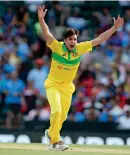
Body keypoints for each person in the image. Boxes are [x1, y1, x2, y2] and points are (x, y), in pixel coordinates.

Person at [38, 5, 124, 151]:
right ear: (65, 40)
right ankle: (55, 141)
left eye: (75, 39)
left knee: (63, 117)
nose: (73, 42)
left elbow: (99, 39)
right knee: (56, 111)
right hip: (52, 84)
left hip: (67, 87)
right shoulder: (57, 47)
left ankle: (51, 133)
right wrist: (41, 19)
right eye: (70, 39)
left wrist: (114, 28)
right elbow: (46, 33)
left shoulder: (80, 48)